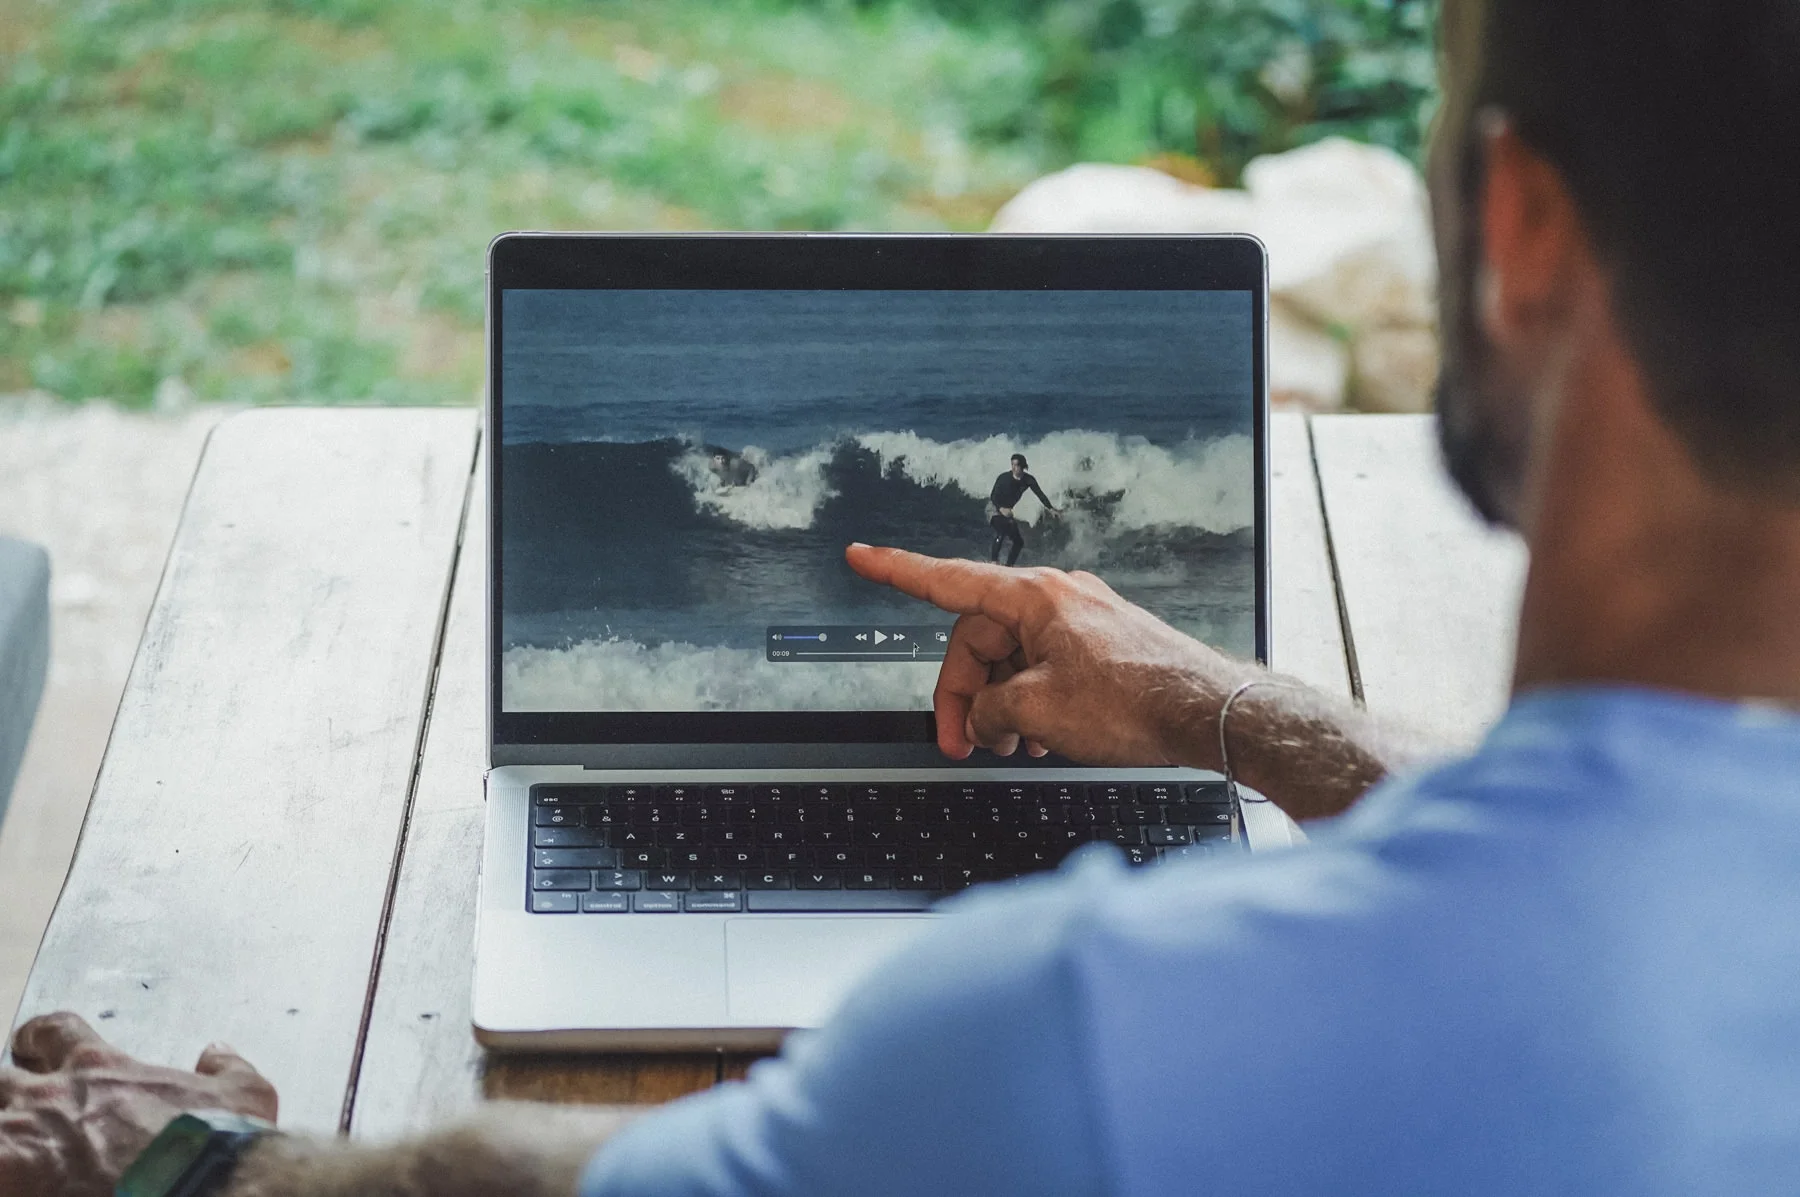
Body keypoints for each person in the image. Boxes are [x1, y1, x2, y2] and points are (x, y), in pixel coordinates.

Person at [9, 1, 1800, 1191]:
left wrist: (211, 1163)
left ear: (1528, 230)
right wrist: (1225, 710)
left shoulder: (1090, 1039)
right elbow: (1612, 870)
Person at [987, 453, 1062, 566]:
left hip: (1007, 512)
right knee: (1002, 530)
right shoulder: (1004, 478)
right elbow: (993, 496)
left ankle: (1009, 566)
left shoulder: (1028, 480)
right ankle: (993, 561)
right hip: (994, 508)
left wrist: (1051, 508)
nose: (1013, 467)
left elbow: (1039, 494)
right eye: (1012, 464)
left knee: (1018, 542)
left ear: (1022, 466)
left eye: (1016, 465)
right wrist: (1001, 508)